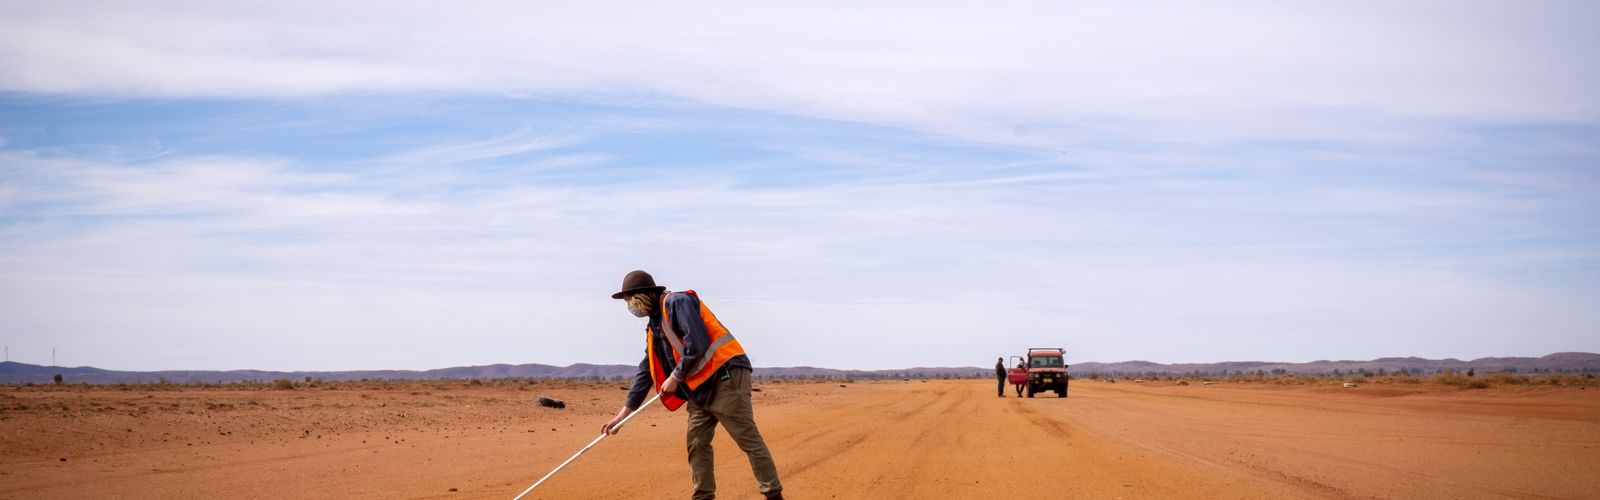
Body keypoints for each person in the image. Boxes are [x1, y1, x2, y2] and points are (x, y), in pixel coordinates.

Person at [601, 270, 783, 500]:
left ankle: (773, 494)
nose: (629, 306)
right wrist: (622, 415)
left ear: (642, 295)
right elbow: (647, 372)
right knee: (696, 443)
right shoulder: (654, 325)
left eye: (629, 300)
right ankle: (703, 496)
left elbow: (696, 342)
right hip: (699, 388)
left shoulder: (677, 302)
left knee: (747, 438)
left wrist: (676, 376)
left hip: (726, 376)